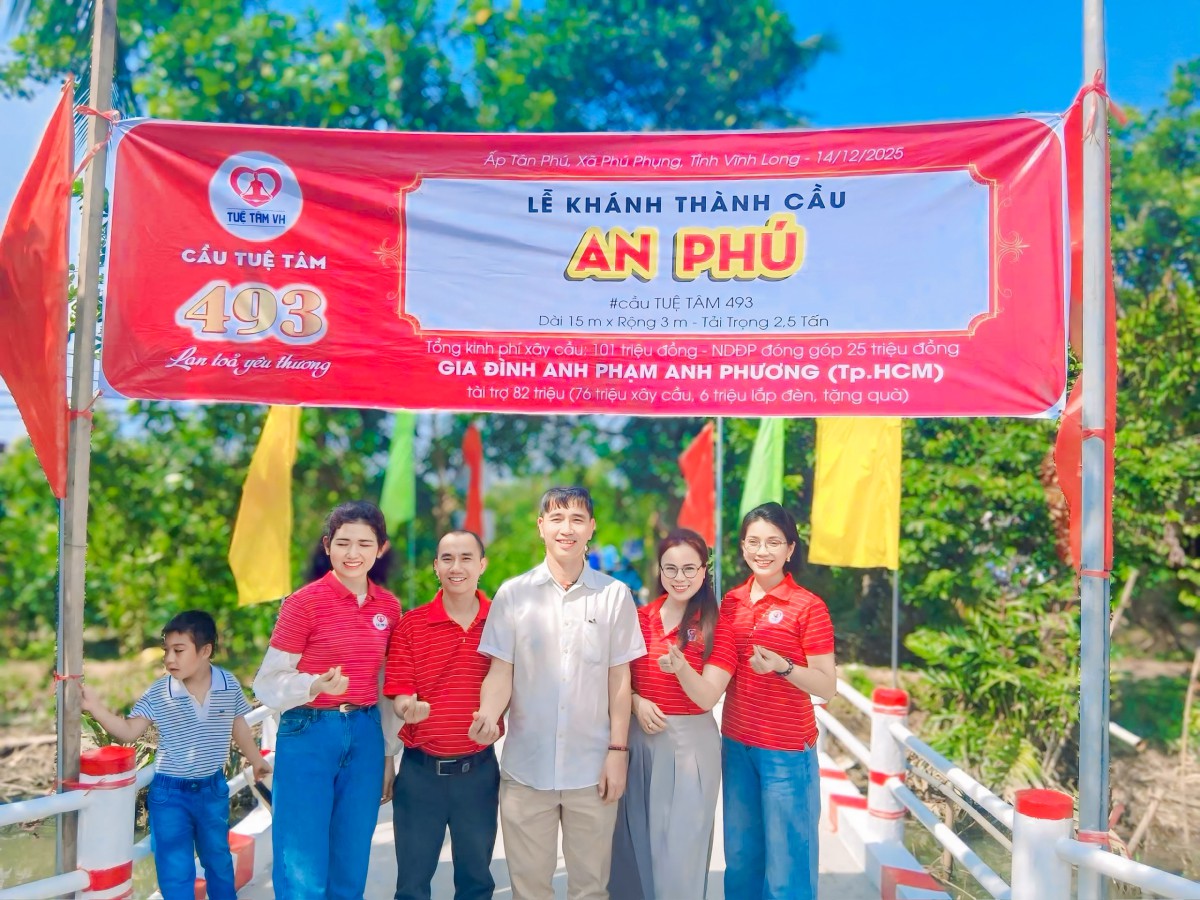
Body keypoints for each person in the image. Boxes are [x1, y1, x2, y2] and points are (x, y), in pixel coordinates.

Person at [470, 486, 646, 900]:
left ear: (591, 528)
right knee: (529, 890)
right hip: (526, 771)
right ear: (541, 526)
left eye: (577, 519)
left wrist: (617, 752)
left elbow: (619, 680)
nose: (567, 529)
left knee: (590, 890)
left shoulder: (614, 595)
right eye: (557, 519)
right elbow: (501, 671)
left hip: (592, 769)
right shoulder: (514, 594)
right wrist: (487, 715)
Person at [253, 500, 401, 900]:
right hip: (309, 731)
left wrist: (389, 752)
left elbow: (386, 683)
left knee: (351, 857)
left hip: (366, 733)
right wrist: (314, 685)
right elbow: (267, 683)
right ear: (327, 546)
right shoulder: (303, 603)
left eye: (364, 544)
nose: (353, 553)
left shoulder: (389, 608)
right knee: (301, 861)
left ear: (380, 549)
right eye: (343, 543)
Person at [80, 611, 270, 900]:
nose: (169, 659)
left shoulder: (228, 684)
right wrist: (95, 707)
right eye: (166, 650)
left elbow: (238, 726)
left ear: (205, 651)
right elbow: (129, 731)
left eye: (179, 651)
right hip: (170, 796)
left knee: (219, 862)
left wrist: (256, 761)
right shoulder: (160, 692)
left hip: (212, 790)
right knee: (175, 873)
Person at [610, 529, 737, 900]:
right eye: (671, 569)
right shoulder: (637, 619)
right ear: (660, 571)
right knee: (631, 850)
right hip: (637, 739)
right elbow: (614, 678)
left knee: (679, 857)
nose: (680, 577)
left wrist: (682, 668)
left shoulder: (716, 627)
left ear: (703, 571)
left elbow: (707, 697)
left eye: (689, 568)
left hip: (689, 746)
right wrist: (636, 702)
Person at [720, 502, 837, 900]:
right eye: (753, 542)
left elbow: (827, 686)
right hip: (736, 745)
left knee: (789, 868)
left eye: (773, 542)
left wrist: (783, 667)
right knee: (741, 861)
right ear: (742, 547)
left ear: (790, 549)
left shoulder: (809, 607)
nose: (762, 551)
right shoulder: (730, 603)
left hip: (786, 751)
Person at [384, 530, 501, 900]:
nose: (456, 567)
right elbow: (400, 691)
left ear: (482, 565)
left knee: (476, 883)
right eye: (447, 559)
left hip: (478, 772)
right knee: (412, 886)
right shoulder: (411, 625)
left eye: (466, 558)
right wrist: (408, 708)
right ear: (436, 566)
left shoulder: (502, 622)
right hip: (421, 774)